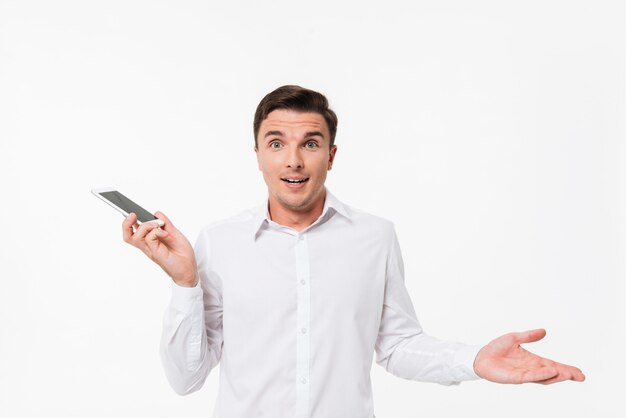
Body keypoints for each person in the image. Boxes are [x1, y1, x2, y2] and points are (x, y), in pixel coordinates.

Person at [122, 85, 585, 417]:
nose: (294, 161)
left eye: (311, 144)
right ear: (258, 153)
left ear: (332, 154)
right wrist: (184, 283)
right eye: (277, 144)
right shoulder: (219, 242)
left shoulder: (375, 237)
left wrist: (473, 361)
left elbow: (398, 346)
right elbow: (186, 379)